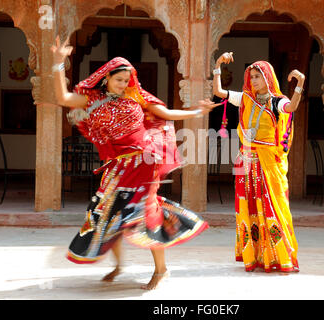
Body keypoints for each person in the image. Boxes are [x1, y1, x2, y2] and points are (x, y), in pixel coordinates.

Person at [51, 37, 216, 290]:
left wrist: (196, 112)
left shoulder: (135, 97)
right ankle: (119, 265)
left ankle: (161, 271)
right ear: (106, 77)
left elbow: (168, 113)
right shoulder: (91, 100)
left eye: (127, 81)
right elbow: (62, 97)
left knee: (143, 215)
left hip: (144, 163)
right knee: (109, 215)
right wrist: (58, 63)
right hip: (117, 168)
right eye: (119, 80)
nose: (123, 85)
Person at [213, 52, 305, 273]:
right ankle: (254, 255)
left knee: (271, 207)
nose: (253, 81)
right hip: (246, 161)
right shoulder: (245, 98)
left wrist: (300, 84)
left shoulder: (277, 101)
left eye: (258, 76)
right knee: (249, 207)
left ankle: (277, 256)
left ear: (268, 77)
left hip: (267, 164)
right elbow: (218, 91)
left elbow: (291, 108)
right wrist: (217, 65)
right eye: (251, 76)